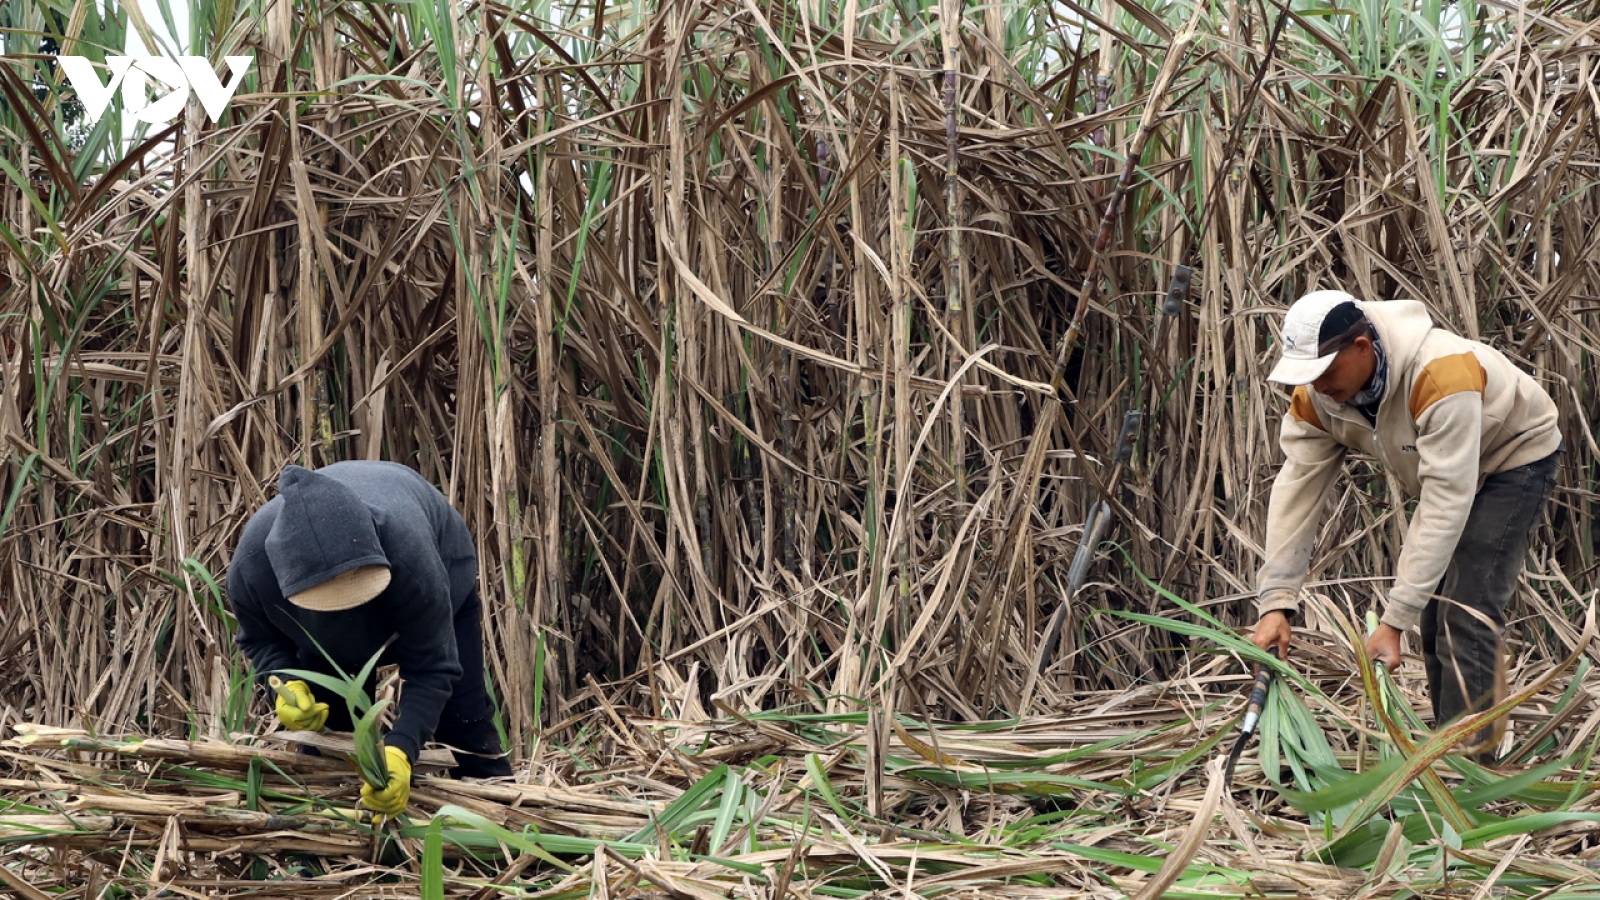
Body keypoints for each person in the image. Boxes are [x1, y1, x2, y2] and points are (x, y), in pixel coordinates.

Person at [1251, 290, 1561, 758]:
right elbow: (1296, 492)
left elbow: (1444, 502)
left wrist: (1394, 620)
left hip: (1512, 457)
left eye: (1327, 373)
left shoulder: (1441, 374)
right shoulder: (1319, 396)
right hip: (1451, 470)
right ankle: (1449, 745)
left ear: (1362, 348)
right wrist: (1276, 601)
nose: (1319, 386)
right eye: (1308, 377)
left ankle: (1473, 768)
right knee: (1436, 615)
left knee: (1466, 610)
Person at [227, 462, 514, 816]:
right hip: (316, 632)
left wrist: (400, 751)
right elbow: (259, 640)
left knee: (463, 718)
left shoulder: (411, 554)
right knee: (330, 742)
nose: (345, 610)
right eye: (333, 600)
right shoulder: (252, 569)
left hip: (435, 570)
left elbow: (432, 669)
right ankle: (329, 846)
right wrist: (284, 684)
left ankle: (501, 825)